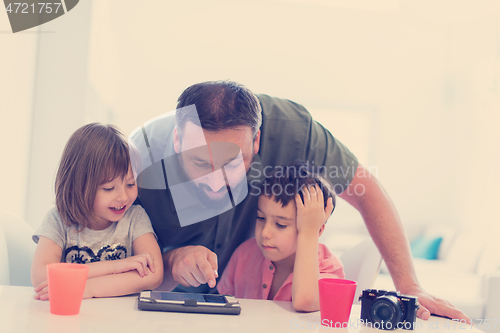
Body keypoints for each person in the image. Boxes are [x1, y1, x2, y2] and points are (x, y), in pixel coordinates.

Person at [133, 80, 469, 322]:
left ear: (257, 140)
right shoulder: (138, 158)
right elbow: (110, 251)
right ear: (178, 140)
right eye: (201, 164)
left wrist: (409, 285)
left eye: (233, 164)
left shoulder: (294, 130)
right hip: (163, 308)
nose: (215, 183)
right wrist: (171, 258)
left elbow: (369, 193)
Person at [31, 123, 163, 300]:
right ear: (76, 187)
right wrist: (116, 267)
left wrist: (87, 287)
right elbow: (42, 276)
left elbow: (154, 274)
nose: (123, 196)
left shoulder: (135, 217)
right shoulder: (58, 219)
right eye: (109, 188)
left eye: (131, 184)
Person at [217, 161, 344, 312]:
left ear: (317, 230)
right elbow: (223, 307)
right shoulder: (244, 254)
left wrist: (309, 234)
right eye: (261, 218)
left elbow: (305, 302)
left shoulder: (329, 268)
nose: (265, 233)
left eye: (281, 225)